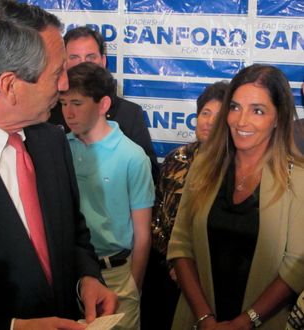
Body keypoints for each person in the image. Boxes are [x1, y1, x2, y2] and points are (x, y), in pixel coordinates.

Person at [0, 1, 118, 330]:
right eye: (57, 73)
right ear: (9, 86)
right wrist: (12, 326)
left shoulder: (51, 141)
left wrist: (87, 278)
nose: (66, 84)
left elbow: (74, 235)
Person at [167, 64, 304, 330]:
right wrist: (205, 318)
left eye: (258, 111)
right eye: (235, 107)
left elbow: (296, 266)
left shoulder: (298, 179)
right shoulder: (204, 166)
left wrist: (245, 322)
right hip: (195, 320)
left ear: (277, 118)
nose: (241, 121)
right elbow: (181, 244)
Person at [60, 62, 155, 330]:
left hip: (117, 275)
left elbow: (142, 232)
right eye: (63, 103)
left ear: (103, 105)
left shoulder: (132, 156)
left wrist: (133, 285)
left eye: (77, 103)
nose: (68, 112)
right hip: (71, 275)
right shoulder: (59, 148)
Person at [141, 81, 228, 330]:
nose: (209, 122)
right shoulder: (176, 159)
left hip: (210, 275)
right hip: (166, 271)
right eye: (205, 113)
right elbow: (157, 217)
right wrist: (174, 263)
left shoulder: (234, 169)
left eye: (218, 116)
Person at [48, 26, 159, 183]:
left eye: (91, 57)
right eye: (74, 57)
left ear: (103, 61)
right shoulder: (46, 112)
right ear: (63, 63)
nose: (82, 64)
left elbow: (148, 174)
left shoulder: (129, 113)